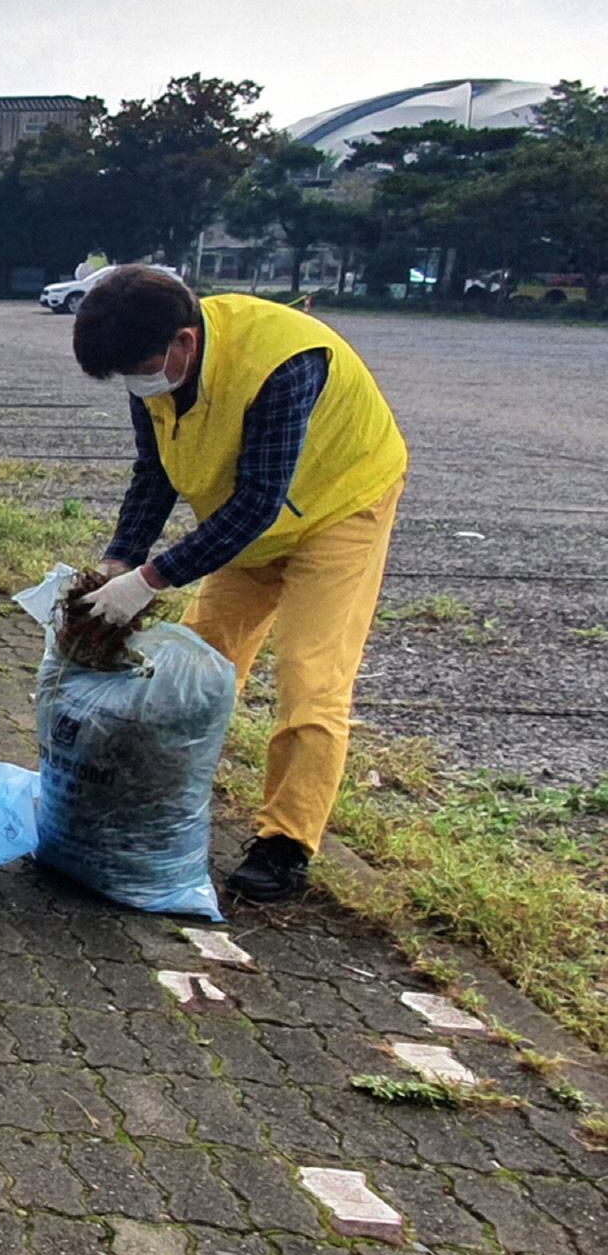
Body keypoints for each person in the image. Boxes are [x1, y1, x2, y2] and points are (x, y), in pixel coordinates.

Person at [71, 266, 408, 903]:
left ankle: (286, 844)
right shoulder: (150, 358)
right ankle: (158, 798)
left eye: (140, 369)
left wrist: (149, 580)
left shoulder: (284, 361)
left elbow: (259, 502)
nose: (136, 385)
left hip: (338, 511)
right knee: (198, 660)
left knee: (312, 680)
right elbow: (156, 472)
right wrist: (121, 560)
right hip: (246, 517)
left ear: (186, 342)